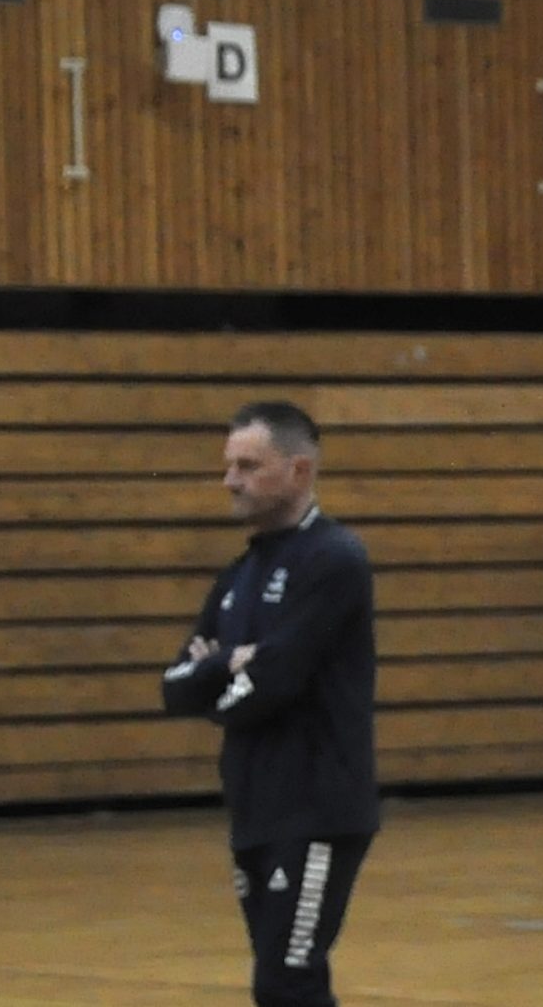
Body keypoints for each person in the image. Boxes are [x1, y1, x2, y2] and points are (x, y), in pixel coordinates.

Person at [160, 401, 380, 1007]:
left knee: (287, 980)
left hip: (316, 810)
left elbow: (275, 681)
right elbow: (175, 687)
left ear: (299, 471)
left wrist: (228, 679)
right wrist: (223, 665)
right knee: (284, 982)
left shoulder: (333, 560)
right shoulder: (239, 575)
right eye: (229, 466)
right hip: (255, 806)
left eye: (249, 466)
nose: (230, 481)